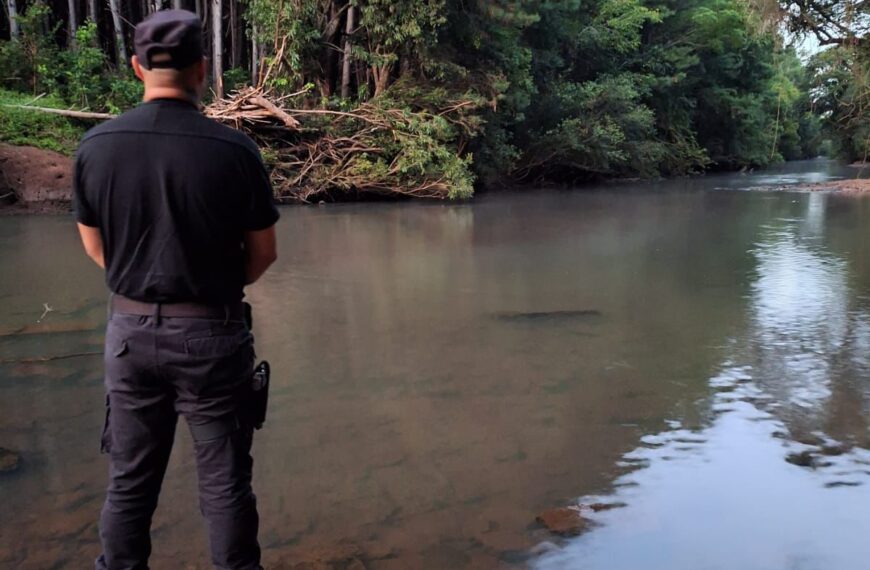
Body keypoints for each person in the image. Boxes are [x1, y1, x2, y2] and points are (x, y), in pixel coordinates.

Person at [73, 9, 279, 570]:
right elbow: (263, 255)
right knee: (224, 485)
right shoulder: (234, 150)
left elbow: (95, 248)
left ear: (137, 67)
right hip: (213, 334)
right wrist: (206, 292)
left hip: (129, 335)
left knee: (129, 484)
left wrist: (143, 287)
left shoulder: (95, 147)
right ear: (203, 70)